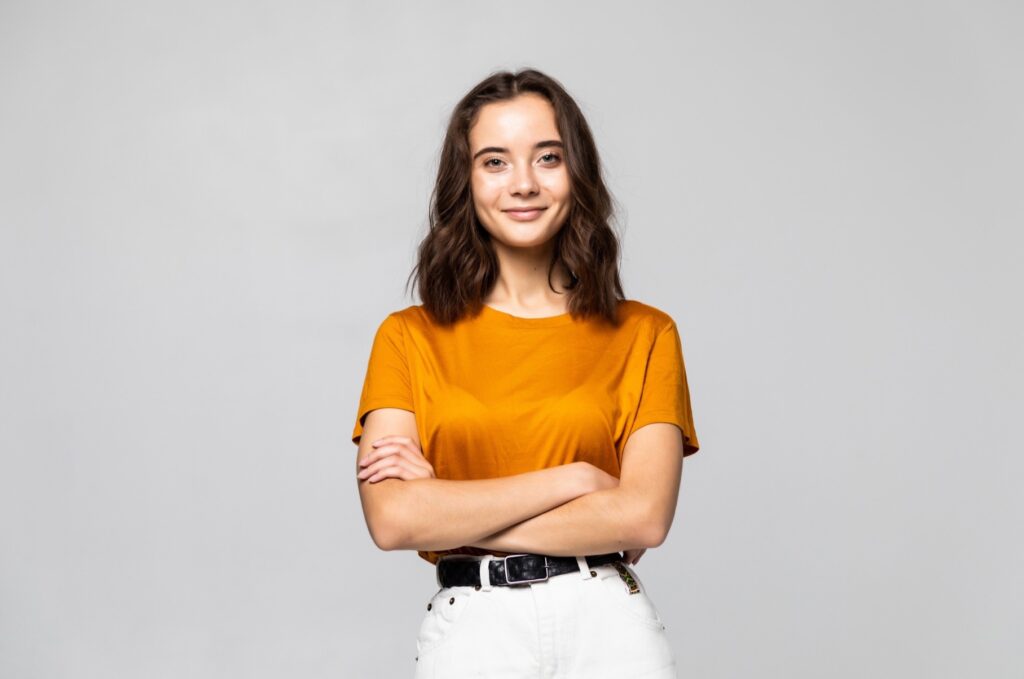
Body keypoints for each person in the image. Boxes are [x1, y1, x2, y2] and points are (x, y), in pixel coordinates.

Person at [351, 68, 701, 678]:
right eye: (495, 162)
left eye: (547, 157)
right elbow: (394, 519)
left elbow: (644, 516)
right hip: (475, 633)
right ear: (466, 182)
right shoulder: (408, 337)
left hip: (608, 627)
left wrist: (451, 509)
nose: (523, 184)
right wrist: (580, 479)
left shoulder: (646, 334)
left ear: (577, 175)